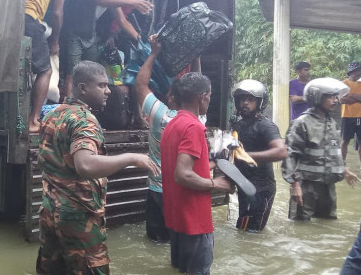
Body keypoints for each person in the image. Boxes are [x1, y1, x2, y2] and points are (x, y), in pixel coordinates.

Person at [36, 60, 158, 275]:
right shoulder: (84, 120)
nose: (108, 91)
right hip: (78, 217)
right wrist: (131, 157)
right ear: (83, 88)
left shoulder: (52, 114)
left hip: (50, 212)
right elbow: (86, 165)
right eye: (102, 85)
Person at [160, 72, 232, 274]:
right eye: (209, 95)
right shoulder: (194, 127)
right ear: (202, 96)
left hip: (177, 219)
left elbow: (178, 165)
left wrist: (209, 165)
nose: (209, 99)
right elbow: (182, 174)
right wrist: (217, 184)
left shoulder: (172, 124)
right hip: (195, 220)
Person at [134, 34, 201, 242]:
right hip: (185, 192)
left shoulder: (160, 116)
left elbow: (140, 84)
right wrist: (196, 55)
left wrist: (154, 53)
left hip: (158, 192)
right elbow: (199, 89)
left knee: (157, 243)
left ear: (171, 98)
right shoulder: (199, 120)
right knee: (181, 244)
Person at [62, 0, 152, 98]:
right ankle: (66, 108)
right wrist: (134, 3)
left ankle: (85, 107)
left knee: (91, 73)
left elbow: (122, 20)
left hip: (90, 37)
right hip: (75, 35)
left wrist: (141, 40)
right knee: (72, 73)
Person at [283, 78, 361, 221]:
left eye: (336, 96)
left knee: (327, 224)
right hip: (306, 186)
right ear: (317, 98)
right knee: (300, 225)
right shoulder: (302, 123)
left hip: (328, 185)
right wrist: (295, 185)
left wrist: (345, 170)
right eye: (330, 97)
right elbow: (290, 155)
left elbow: (332, 153)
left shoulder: (331, 123)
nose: (336, 100)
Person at [231, 80, 287, 232]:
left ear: (260, 102)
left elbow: (281, 151)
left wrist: (248, 155)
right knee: (242, 228)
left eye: (251, 100)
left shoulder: (265, 125)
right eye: (243, 99)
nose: (245, 103)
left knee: (252, 232)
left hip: (261, 188)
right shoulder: (238, 125)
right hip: (244, 185)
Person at [24, 0, 69, 132]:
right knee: (45, 70)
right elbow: (57, 13)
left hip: (9, 19)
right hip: (29, 19)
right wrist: (55, 40)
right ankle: (33, 120)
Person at [341, 61, 361, 169]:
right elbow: (342, 100)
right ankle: (341, 164)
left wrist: (352, 96)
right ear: (351, 72)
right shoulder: (344, 83)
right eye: (356, 71)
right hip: (347, 116)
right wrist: (359, 97)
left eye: (360, 70)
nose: (359, 73)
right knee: (345, 141)